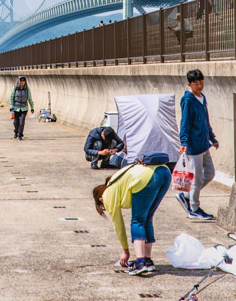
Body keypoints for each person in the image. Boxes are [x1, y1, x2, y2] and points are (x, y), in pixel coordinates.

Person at [93, 156, 173, 276]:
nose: (106, 207)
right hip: (164, 172)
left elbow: (118, 225)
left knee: (138, 220)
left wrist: (125, 251)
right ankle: (147, 260)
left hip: (146, 177)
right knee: (147, 218)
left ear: (100, 199)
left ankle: (140, 262)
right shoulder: (116, 183)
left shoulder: (107, 194)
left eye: (103, 206)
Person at [176, 70, 219, 221]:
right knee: (196, 178)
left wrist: (212, 138)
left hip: (204, 144)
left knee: (210, 173)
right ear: (189, 84)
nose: (200, 86)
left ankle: (186, 195)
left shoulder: (202, 97)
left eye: (201, 83)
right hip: (193, 146)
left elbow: (206, 121)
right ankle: (194, 208)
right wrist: (184, 142)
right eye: (196, 84)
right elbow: (185, 122)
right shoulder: (188, 100)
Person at [8, 76, 34, 140]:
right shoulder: (15, 89)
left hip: (24, 108)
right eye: (21, 81)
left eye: (23, 81)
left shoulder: (27, 89)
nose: (22, 82)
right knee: (15, 122)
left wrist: (32, 107)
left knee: (22, 122)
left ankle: (20, 134)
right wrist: (11, 107)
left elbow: (30, 99)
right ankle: (16, 132)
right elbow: (11, 98)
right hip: (16, 108)